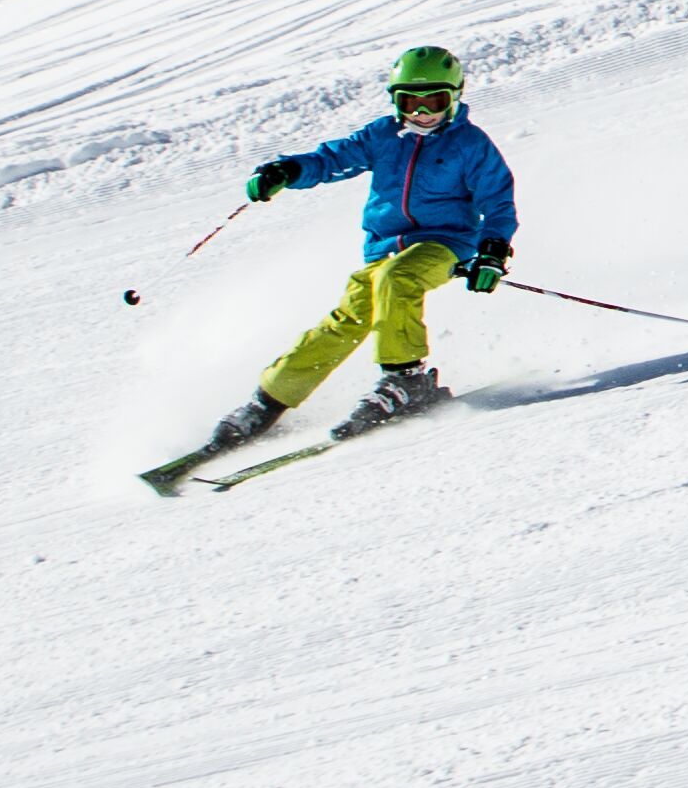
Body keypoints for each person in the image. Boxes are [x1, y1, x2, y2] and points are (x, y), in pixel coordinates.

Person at [147, 46, 520, 482]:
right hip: (385, 248)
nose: (421, 113)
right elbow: (332, 160)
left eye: (433, 101)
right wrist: (286, 171)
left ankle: (408, 379)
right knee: (348, 319)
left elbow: (497, 202)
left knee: (398, 281)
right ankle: (270, 399)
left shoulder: (470, 145)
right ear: (394, 101)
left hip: (446, 243)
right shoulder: (384, 136)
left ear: (454, 97)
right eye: (409, 102)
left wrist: (492, 252)